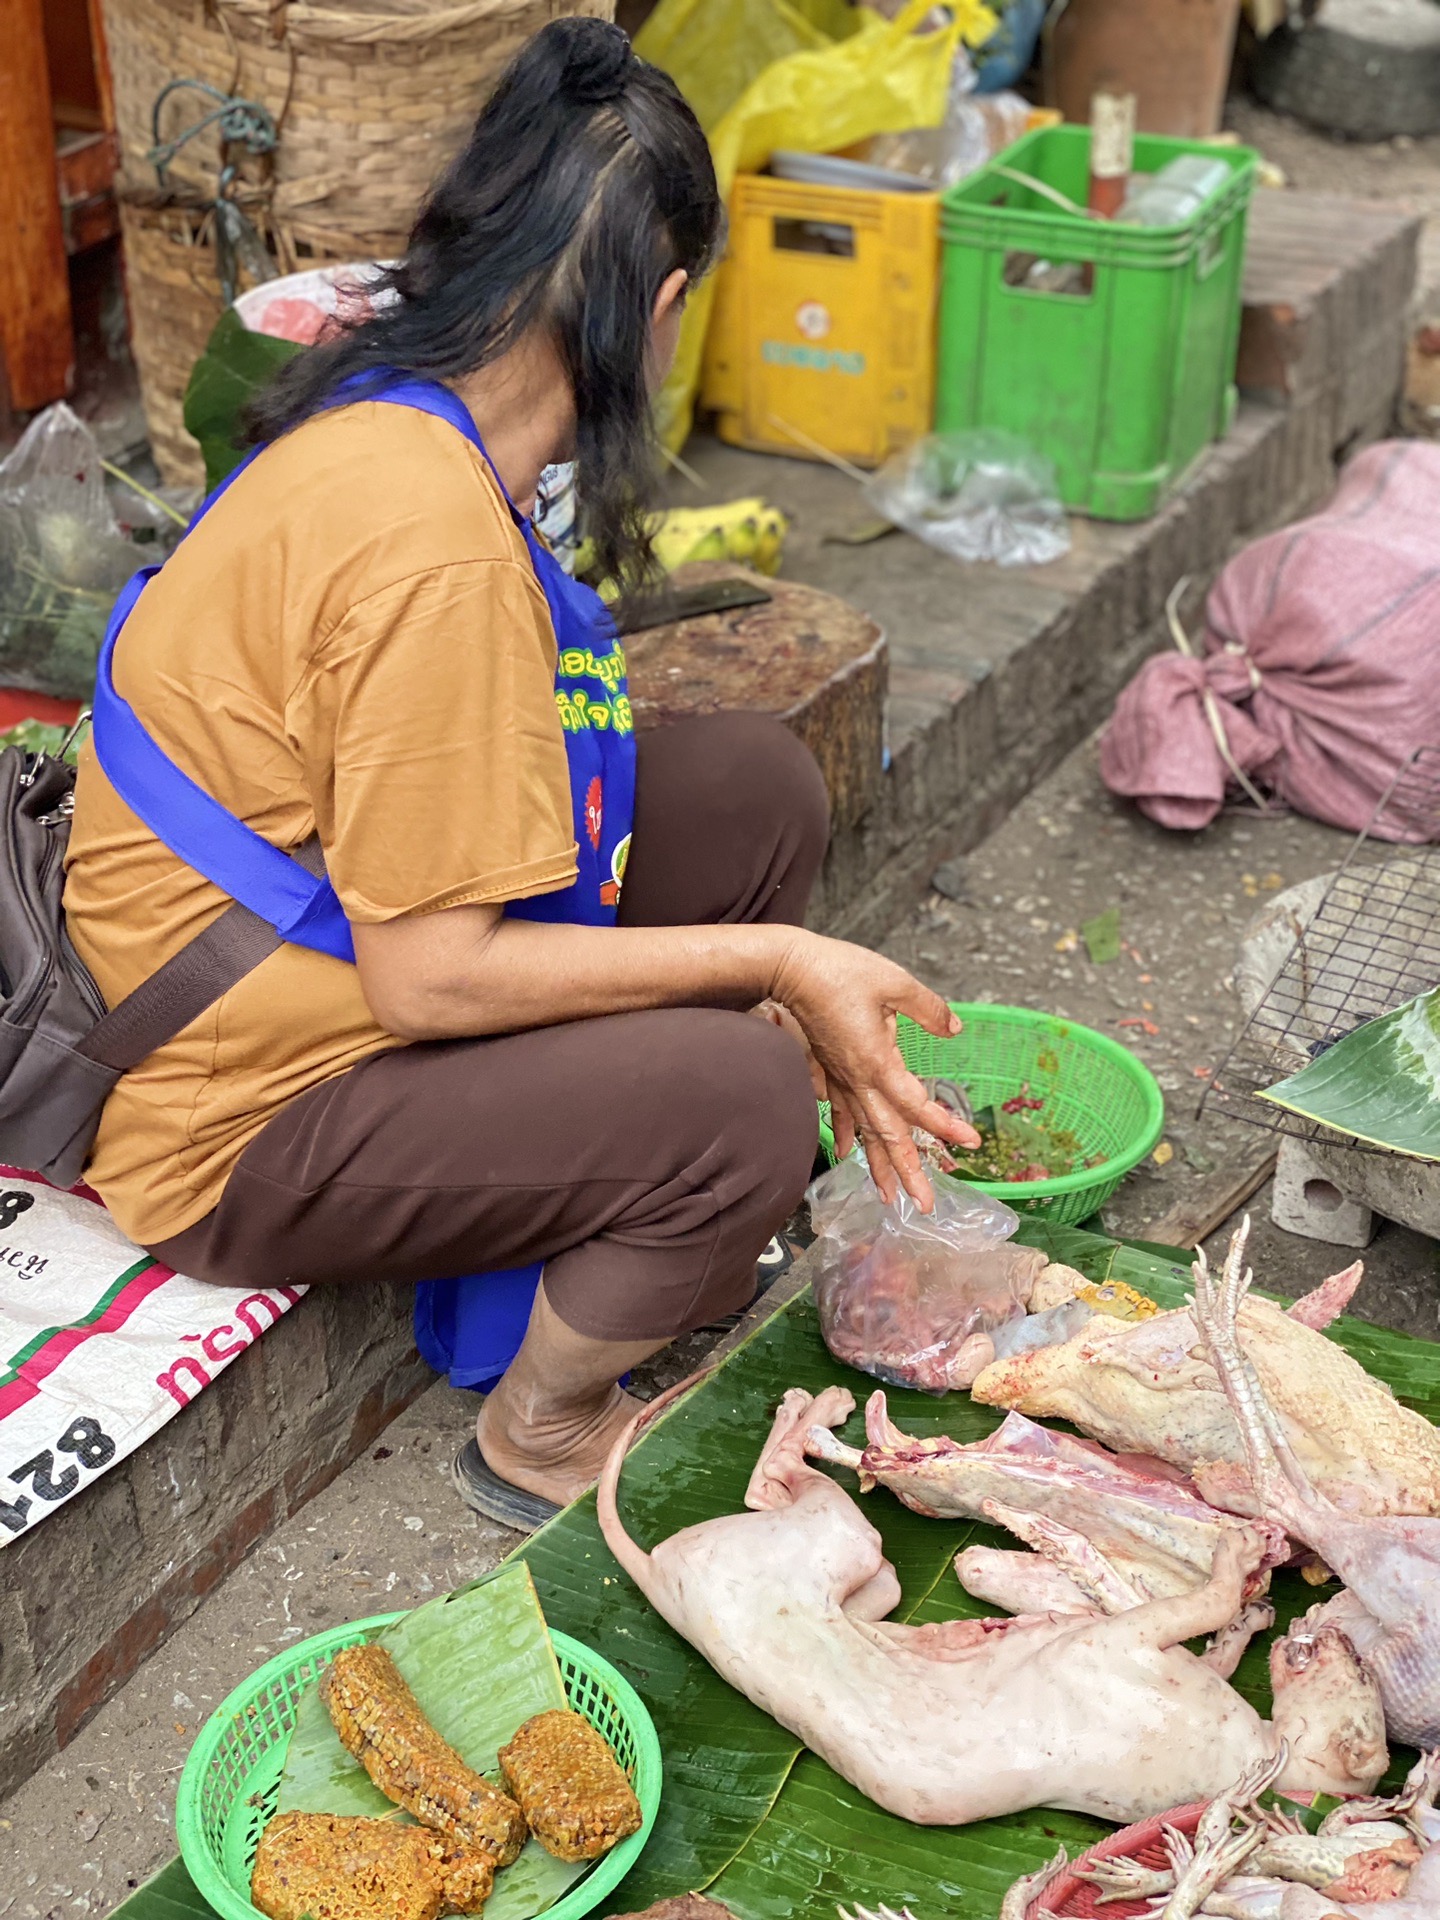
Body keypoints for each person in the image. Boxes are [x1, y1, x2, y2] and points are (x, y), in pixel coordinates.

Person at [63, 17, 975, 1530]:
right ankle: (541, 1428)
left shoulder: (393, 397)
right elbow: (425, 983)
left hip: (298, 948)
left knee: (754, 790)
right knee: (744, 1094)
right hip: (222, 1107)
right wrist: (777, 960)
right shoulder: (429, 544)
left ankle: (600, 1208)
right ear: (662, 307)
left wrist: (766, 945)